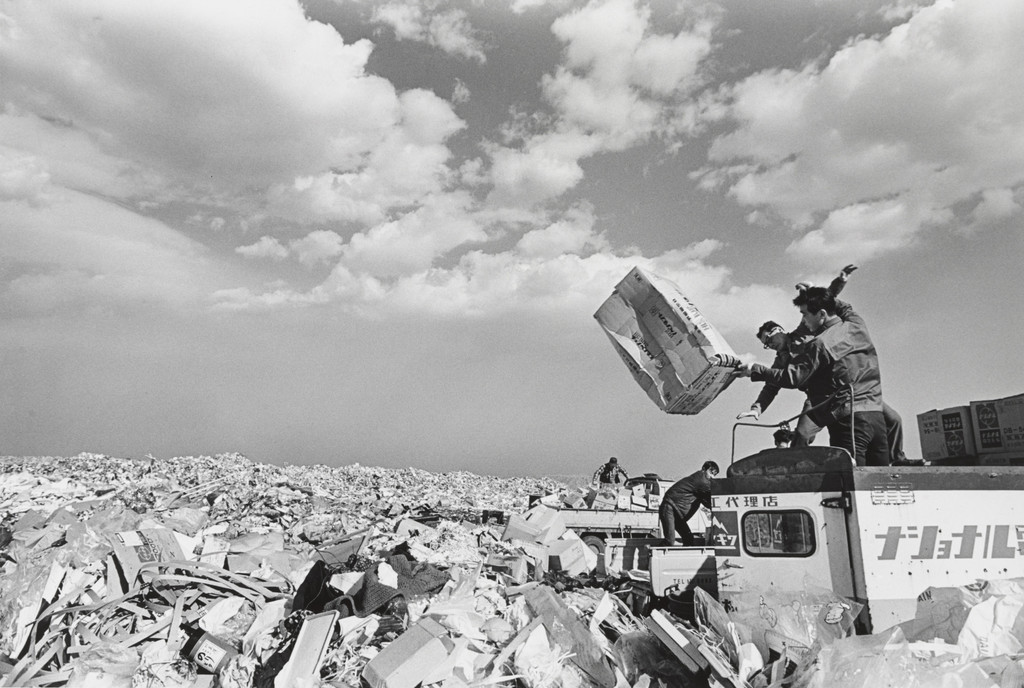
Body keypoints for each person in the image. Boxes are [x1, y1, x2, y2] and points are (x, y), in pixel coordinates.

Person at [739, 267, 912, 465]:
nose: (769, 345)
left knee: (894, 420)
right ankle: (798, 468)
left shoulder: (808, 334)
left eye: (769, 339)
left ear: (779, 330)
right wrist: (757, 408)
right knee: (802, 434)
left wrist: (828, 287)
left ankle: (899, 458)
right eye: (765, 345)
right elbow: (772, 385)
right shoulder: (854, 325)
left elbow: (825, 304)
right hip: (822, 396)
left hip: (847, 394)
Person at [660, 461, 719, 546]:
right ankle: (653, 556)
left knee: (688, 539)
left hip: (676, 512)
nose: (712, 477)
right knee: (669, 540)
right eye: (711, 472)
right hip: (670, 508)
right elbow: (711, 497)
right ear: (703, 469)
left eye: (714, 474)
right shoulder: (701, 480)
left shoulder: (700, 484)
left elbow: (706, 502)